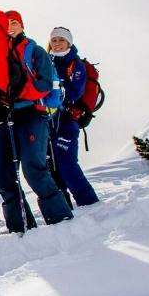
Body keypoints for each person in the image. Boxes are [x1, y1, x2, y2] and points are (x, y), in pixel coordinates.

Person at [0, 10, 74, 234]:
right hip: (5, 117)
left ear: (21, 25)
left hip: (32, 114)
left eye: (14, 22)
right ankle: (21, 229)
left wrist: (19, 91)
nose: (9, 25)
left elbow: (46, 84)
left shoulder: (35, 51)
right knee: (2, 174)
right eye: (5, 23)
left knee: (33, 168)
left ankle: (61, 220)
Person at [47, 26, 100, 207]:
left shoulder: (76, 65)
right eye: (54, 40)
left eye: (61, 40)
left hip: (68, 121)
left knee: (66, 163)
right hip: (47, 121)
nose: (57, 44)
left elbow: (75, 92)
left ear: (69, 42)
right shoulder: (45, 62)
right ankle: (63, 206)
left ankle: (89, 202)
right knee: (51, 166)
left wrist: (54, 94)